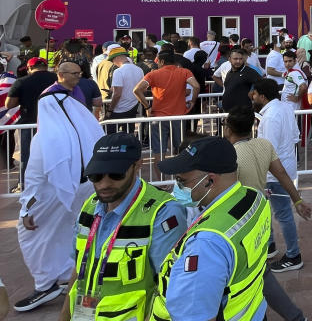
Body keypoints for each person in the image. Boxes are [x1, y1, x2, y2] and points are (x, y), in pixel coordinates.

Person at [59, 133, 188, 321]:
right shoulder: (89, 208)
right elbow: (79, 269)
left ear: (138, 165)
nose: (104, 183)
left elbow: (169, 287)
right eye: (96, 175)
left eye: (116, 174)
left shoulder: (163, 213)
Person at [16, 63, 104, 312]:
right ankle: (67, 275)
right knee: (71, 233)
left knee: (31, 236)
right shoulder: (83, 128)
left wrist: (26, 211)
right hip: (85, 191)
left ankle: (45, 284)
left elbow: (34, 179)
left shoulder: (45, 138)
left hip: (53, 194)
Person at [153, 137, 271, 321]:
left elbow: (196, 315)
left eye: (182, 181)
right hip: (254, 310)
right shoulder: (254, 198)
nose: (178, 187)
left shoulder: (206, 244)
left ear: (209, 181)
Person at [222, 108, 310, 321]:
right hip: (258, 214)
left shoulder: (229, 154)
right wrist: (297, 199)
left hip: (238, 222)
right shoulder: (264, 145)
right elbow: (281, 174)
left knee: (251, 275)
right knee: (260, 272)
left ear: (229, 128)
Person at [248, 79, 304, 273]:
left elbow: (267, 152)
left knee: (283, 214)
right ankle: (270, 245)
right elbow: (295, 136)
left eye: (254, 94)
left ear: (262, 96)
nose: (252, 97)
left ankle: (293, 255)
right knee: (268, 210)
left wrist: (261, 174)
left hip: (275, 173)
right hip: (284, 167)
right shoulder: (285, 108)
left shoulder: (271, 117)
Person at [5, 57, 58, 191]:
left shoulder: (22, 81)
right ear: (45, 67)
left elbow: (9, 104)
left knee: (27, 156)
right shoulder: (57, 79)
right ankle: (53, 184)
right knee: (54, 154)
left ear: (29, 68)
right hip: (55, 124)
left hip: (29, 124)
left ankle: (23, 184)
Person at [133, 51, 200, 156]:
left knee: (159, 151)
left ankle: (161, 173)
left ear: (162, 61)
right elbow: (196, 86)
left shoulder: (153, 74)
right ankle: (179, 172)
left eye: (158, 61)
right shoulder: (185, 72)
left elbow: (136, 90)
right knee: (180, 149)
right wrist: (192, 101)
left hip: (158, 118)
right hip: (178, 117)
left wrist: (147, 107)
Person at [104, 49, 144, 133]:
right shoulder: (139, 70)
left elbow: (117, 94)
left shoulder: (118, 71)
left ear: (117, 58)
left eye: (112, 60)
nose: (113, 62)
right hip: (133, 107)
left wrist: (110, 110)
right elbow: (141, 89)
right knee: (128, 135)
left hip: (118, 109)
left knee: (110, 135)